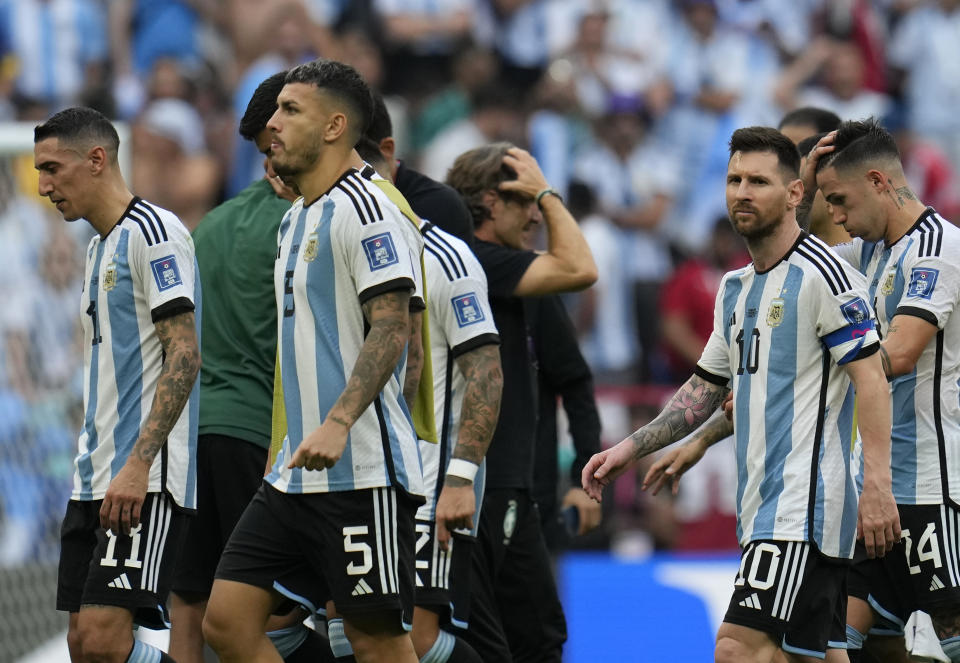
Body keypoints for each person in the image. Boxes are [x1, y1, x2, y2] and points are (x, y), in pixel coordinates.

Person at [583, 126, 900, 663]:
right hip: (762, 507)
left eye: (758, 181)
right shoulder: (734, 289)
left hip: (802, 507)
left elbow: (872, 379)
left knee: (736, 646)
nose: (742, 192)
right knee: (810, 654)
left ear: (795, 193)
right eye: (734, 180)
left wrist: (877, 485)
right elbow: (704, 389)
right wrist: (630, 449)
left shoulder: (827, 277)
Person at [201, 59, 423, 663]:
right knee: (226, 623)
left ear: (334, 126)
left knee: (376, 641)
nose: (272, 123)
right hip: (292, 473)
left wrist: (340, 420)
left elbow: (395, 326)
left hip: (361, 474)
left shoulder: (370, 209)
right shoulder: (296, 216)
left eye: (289, 110)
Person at [167, 71, 330, 663]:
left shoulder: (205, 227)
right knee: (278, 615)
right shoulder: (304, 226)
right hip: (261, 436)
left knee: (189, 607)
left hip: (192, 434)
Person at [35, 106, 202, 663]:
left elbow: (185, 351)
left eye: (53, 168)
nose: (43, 186)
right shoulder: (97, 247)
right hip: (94, 475)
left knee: (107, 641)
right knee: (84, 645)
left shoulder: (154, 234)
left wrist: (138, 463)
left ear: (97, 159)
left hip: (142, 476)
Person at [810, 118, 960, 663]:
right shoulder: (866, 254)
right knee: (841, 641)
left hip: (930, 484)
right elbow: (794, 262)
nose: (839, 219)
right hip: (872, 488)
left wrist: (812, 377)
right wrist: (801, 189)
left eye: (841, 201)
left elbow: (896, 354)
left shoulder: (938, 248)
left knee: (943, 647)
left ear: (878, 181)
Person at [358, 103, 503, 663]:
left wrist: (461, 477)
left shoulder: (445, 256)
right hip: (355, 482)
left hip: (426, 483)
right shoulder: (331, 248)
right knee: (345, 629)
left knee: (413, 638)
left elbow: (486, 373)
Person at [446, 142, 597, 662]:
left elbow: (573, 378)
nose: (535, 215)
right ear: (491, 200)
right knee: (516, 641)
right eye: (526, 201)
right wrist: (551, 194)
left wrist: (583, 476)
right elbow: (582, 266)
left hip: (514, 490)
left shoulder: (518, 277)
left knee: (515, 637)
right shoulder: (477, 263)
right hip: (483, 487)